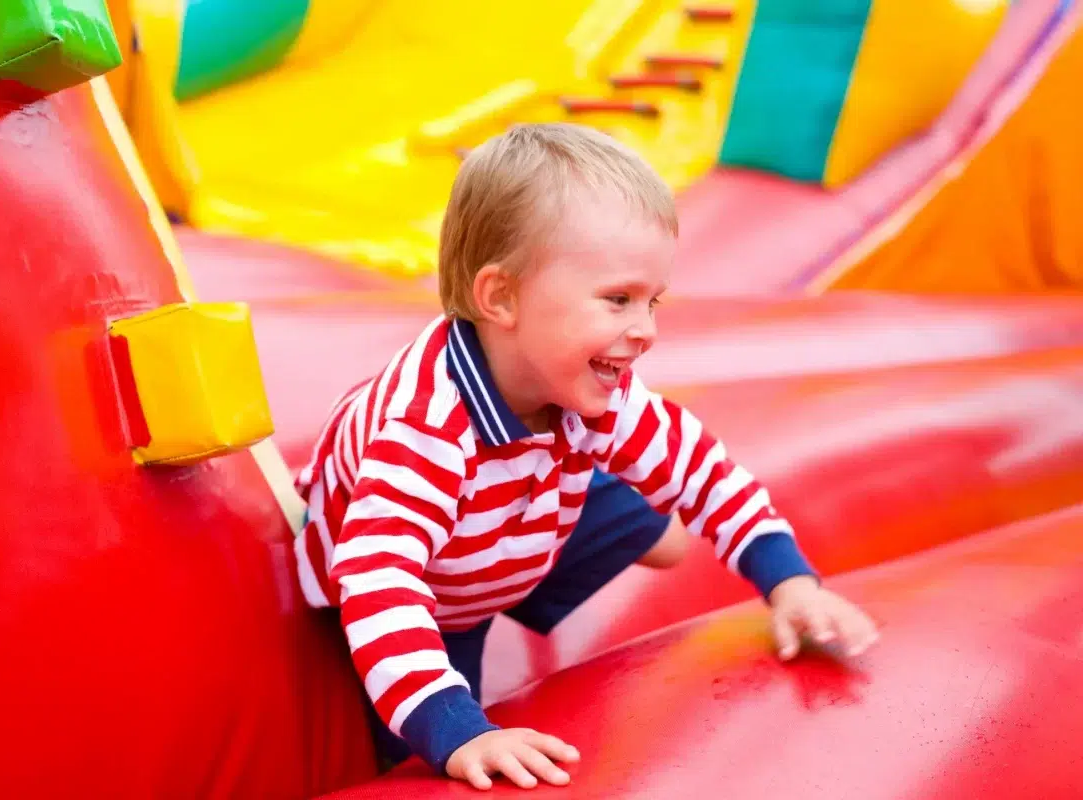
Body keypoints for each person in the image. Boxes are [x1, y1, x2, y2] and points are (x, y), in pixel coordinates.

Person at [293, 122, 879, 791]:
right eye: (619, 300)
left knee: (669, 535)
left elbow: (704, 470)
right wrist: (459, 730)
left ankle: (585, 523)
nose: (647, 331)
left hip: (527, 490)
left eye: (652, 301)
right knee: (419, 751)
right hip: (443, 575)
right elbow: (380, 589)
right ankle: (531, 556)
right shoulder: (422, 436)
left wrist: (790, 582)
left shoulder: (590, 386)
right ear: (502, 297)